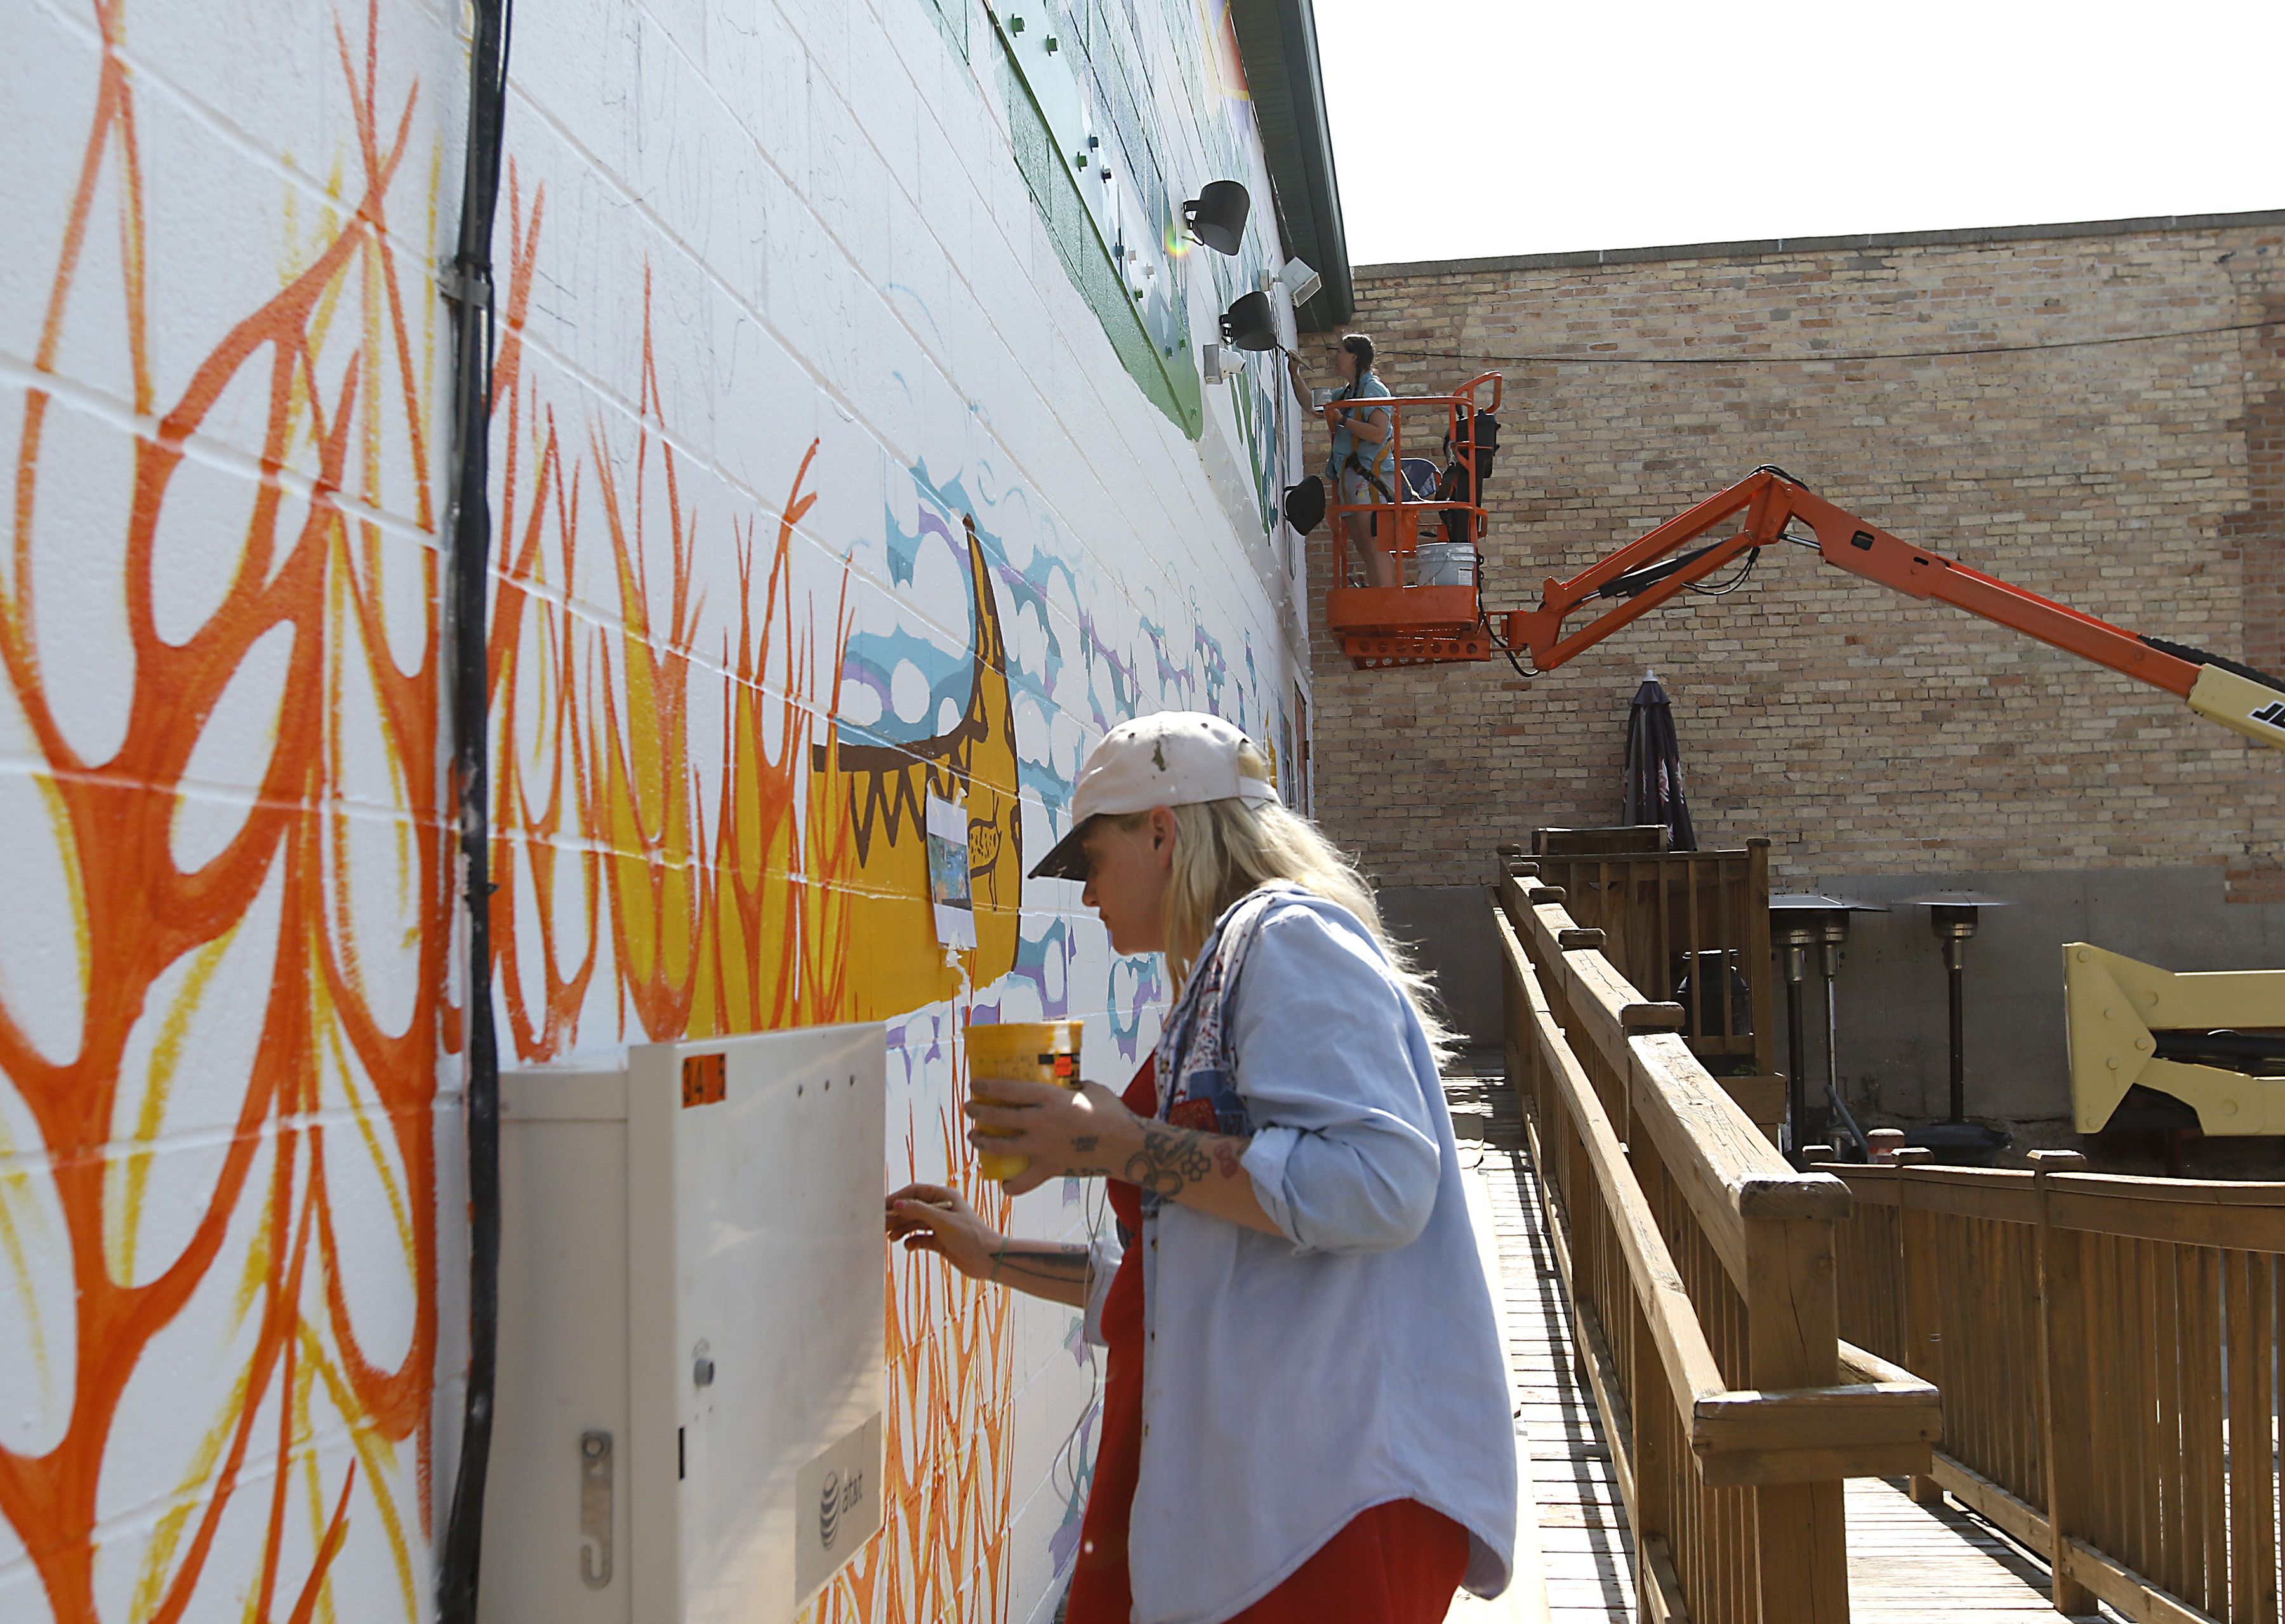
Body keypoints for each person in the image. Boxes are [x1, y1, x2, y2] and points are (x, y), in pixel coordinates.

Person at [887, 711, 1515, 1624]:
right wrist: (991, 1255)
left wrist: (1116, 1143)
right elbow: (1186, 1282)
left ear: (1161, 829)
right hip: (1280, 1503)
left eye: (1091, 861)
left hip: (1321, 1508)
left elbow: (1381, 1182)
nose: (1088, 894)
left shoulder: (1286, 938)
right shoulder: (1228, 971)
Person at [1288, 333, 1398, 588]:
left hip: (1370, 476)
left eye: (1339, 351)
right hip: (1351, 477)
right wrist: (1295, 375)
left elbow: (1378, 432)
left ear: (1354, 356)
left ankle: (1384, 599)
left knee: (1373, 542)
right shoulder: (1348, 392)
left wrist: (1342, 420)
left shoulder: (1373, 389)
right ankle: (1377, 595)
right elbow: (1314, 407)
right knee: (1362, 543)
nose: (1334, 356)